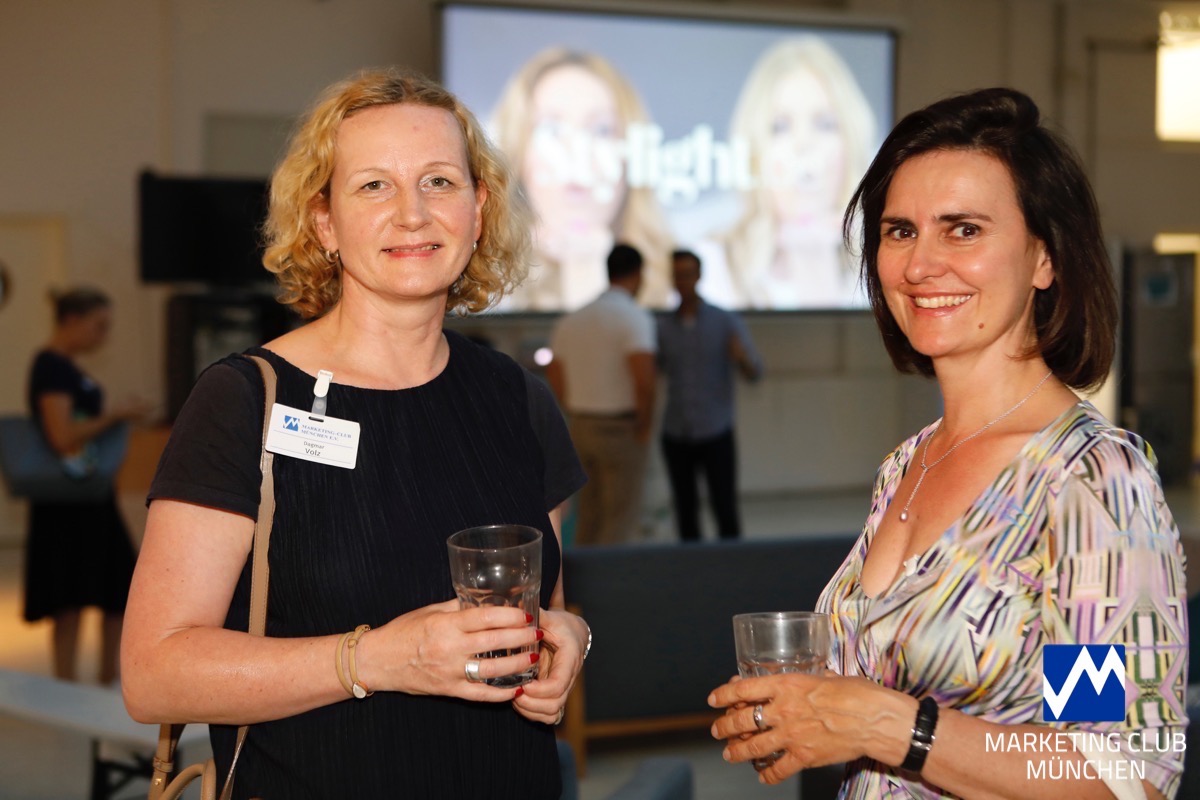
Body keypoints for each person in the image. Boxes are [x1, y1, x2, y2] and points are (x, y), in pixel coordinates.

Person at [121, 68, 591, 799]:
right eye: (374, 186)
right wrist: (376, 660)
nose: (412, 214)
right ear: (325, 222)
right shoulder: (245, 401)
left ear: (478, 209)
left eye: (439, 182)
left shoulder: (518, 399)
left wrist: (570, 639)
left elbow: (545, 608)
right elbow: (154, 674)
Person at [708, 88, 1188, 799]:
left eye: (963, 230)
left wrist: (891, 727)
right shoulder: (908, 463)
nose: (920, 265)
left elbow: (1121, 772)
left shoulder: (1087, 481)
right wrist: (813, 713)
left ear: (1044, 258)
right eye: (900, 231)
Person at [490, 48, 673, 311]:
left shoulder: (673, 282)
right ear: (518, 153)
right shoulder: (487, 288)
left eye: (601, 130)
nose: (577, 151)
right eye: (551, 129)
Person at [27, 287, 147, 683]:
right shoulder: (53, 368)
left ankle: (105, 677)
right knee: (69, 595)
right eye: (99, 326)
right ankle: (70, 683)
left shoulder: (63, 368)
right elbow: (62, 436)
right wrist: (116, 415)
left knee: (112, 588)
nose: (103, 336)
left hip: (87, 494)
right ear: (72, 321)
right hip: (69, 499)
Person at [722, 37, 877, 309]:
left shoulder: (880, 262)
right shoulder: (717, 263)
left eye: (825, 124)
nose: (803, 144)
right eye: (780, 127)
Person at [546, 243, 656, 546]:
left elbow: (554, 370)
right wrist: (644, 426)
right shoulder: (634, 318)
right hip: (621, 429)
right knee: (620, 518)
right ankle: (613, 577)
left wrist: (573, 408)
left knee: (589, 516)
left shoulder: (572, 319)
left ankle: (586, 576)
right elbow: (645, 380)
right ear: (638, 275)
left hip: (581, 426)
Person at [657, 249, 762, 541]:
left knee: (724, 508)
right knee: (685, 511)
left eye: (687, 274)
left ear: (699, 276)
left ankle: (733, 565)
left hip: (715, 431)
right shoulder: (663, 327)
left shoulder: (724, 320)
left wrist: (741, 358)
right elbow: (657, 369)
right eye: (677, 275)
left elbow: (755, 372)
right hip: (676, 432)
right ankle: (691, 566)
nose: (682, 281)